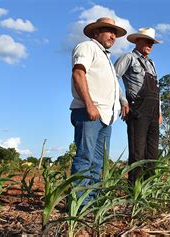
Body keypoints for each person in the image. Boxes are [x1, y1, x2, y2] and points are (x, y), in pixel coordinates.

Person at [69, 17, 127, 201]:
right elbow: (78, 73)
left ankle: (92, 200)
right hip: (89, 113)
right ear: (96, 33)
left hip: (106, 117)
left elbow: (113, 85)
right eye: (108, 31)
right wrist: (89, 104)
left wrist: (122, 103)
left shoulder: (107, 58)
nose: (113, 36)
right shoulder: (87, 47)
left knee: (98, 162)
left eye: (115, 33)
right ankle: (79, 202)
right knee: (85, 157)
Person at [114, 27, 162, 183]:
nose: (150, 45)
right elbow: (113, 77)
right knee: (137, 152)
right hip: (138, 110)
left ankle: (149, 189)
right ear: (137, 40)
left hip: (153, 112)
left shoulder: (152, 63)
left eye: (152, 42)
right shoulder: (128, 58)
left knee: (152, 153)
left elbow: (157, 89)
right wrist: (123, 100)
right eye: (147, 41)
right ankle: (134, 190)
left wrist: (159, 112)